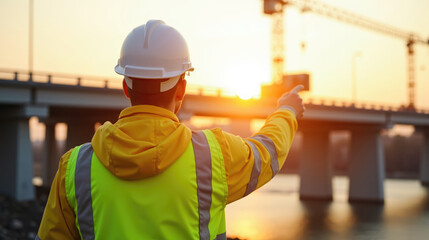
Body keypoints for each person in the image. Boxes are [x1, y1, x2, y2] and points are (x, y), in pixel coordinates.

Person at [36, 20, 305, 240]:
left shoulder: (75, 168)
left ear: (126, 87)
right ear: (182, 89)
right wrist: (287, 111)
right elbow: (268, 152)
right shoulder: (214, 157)